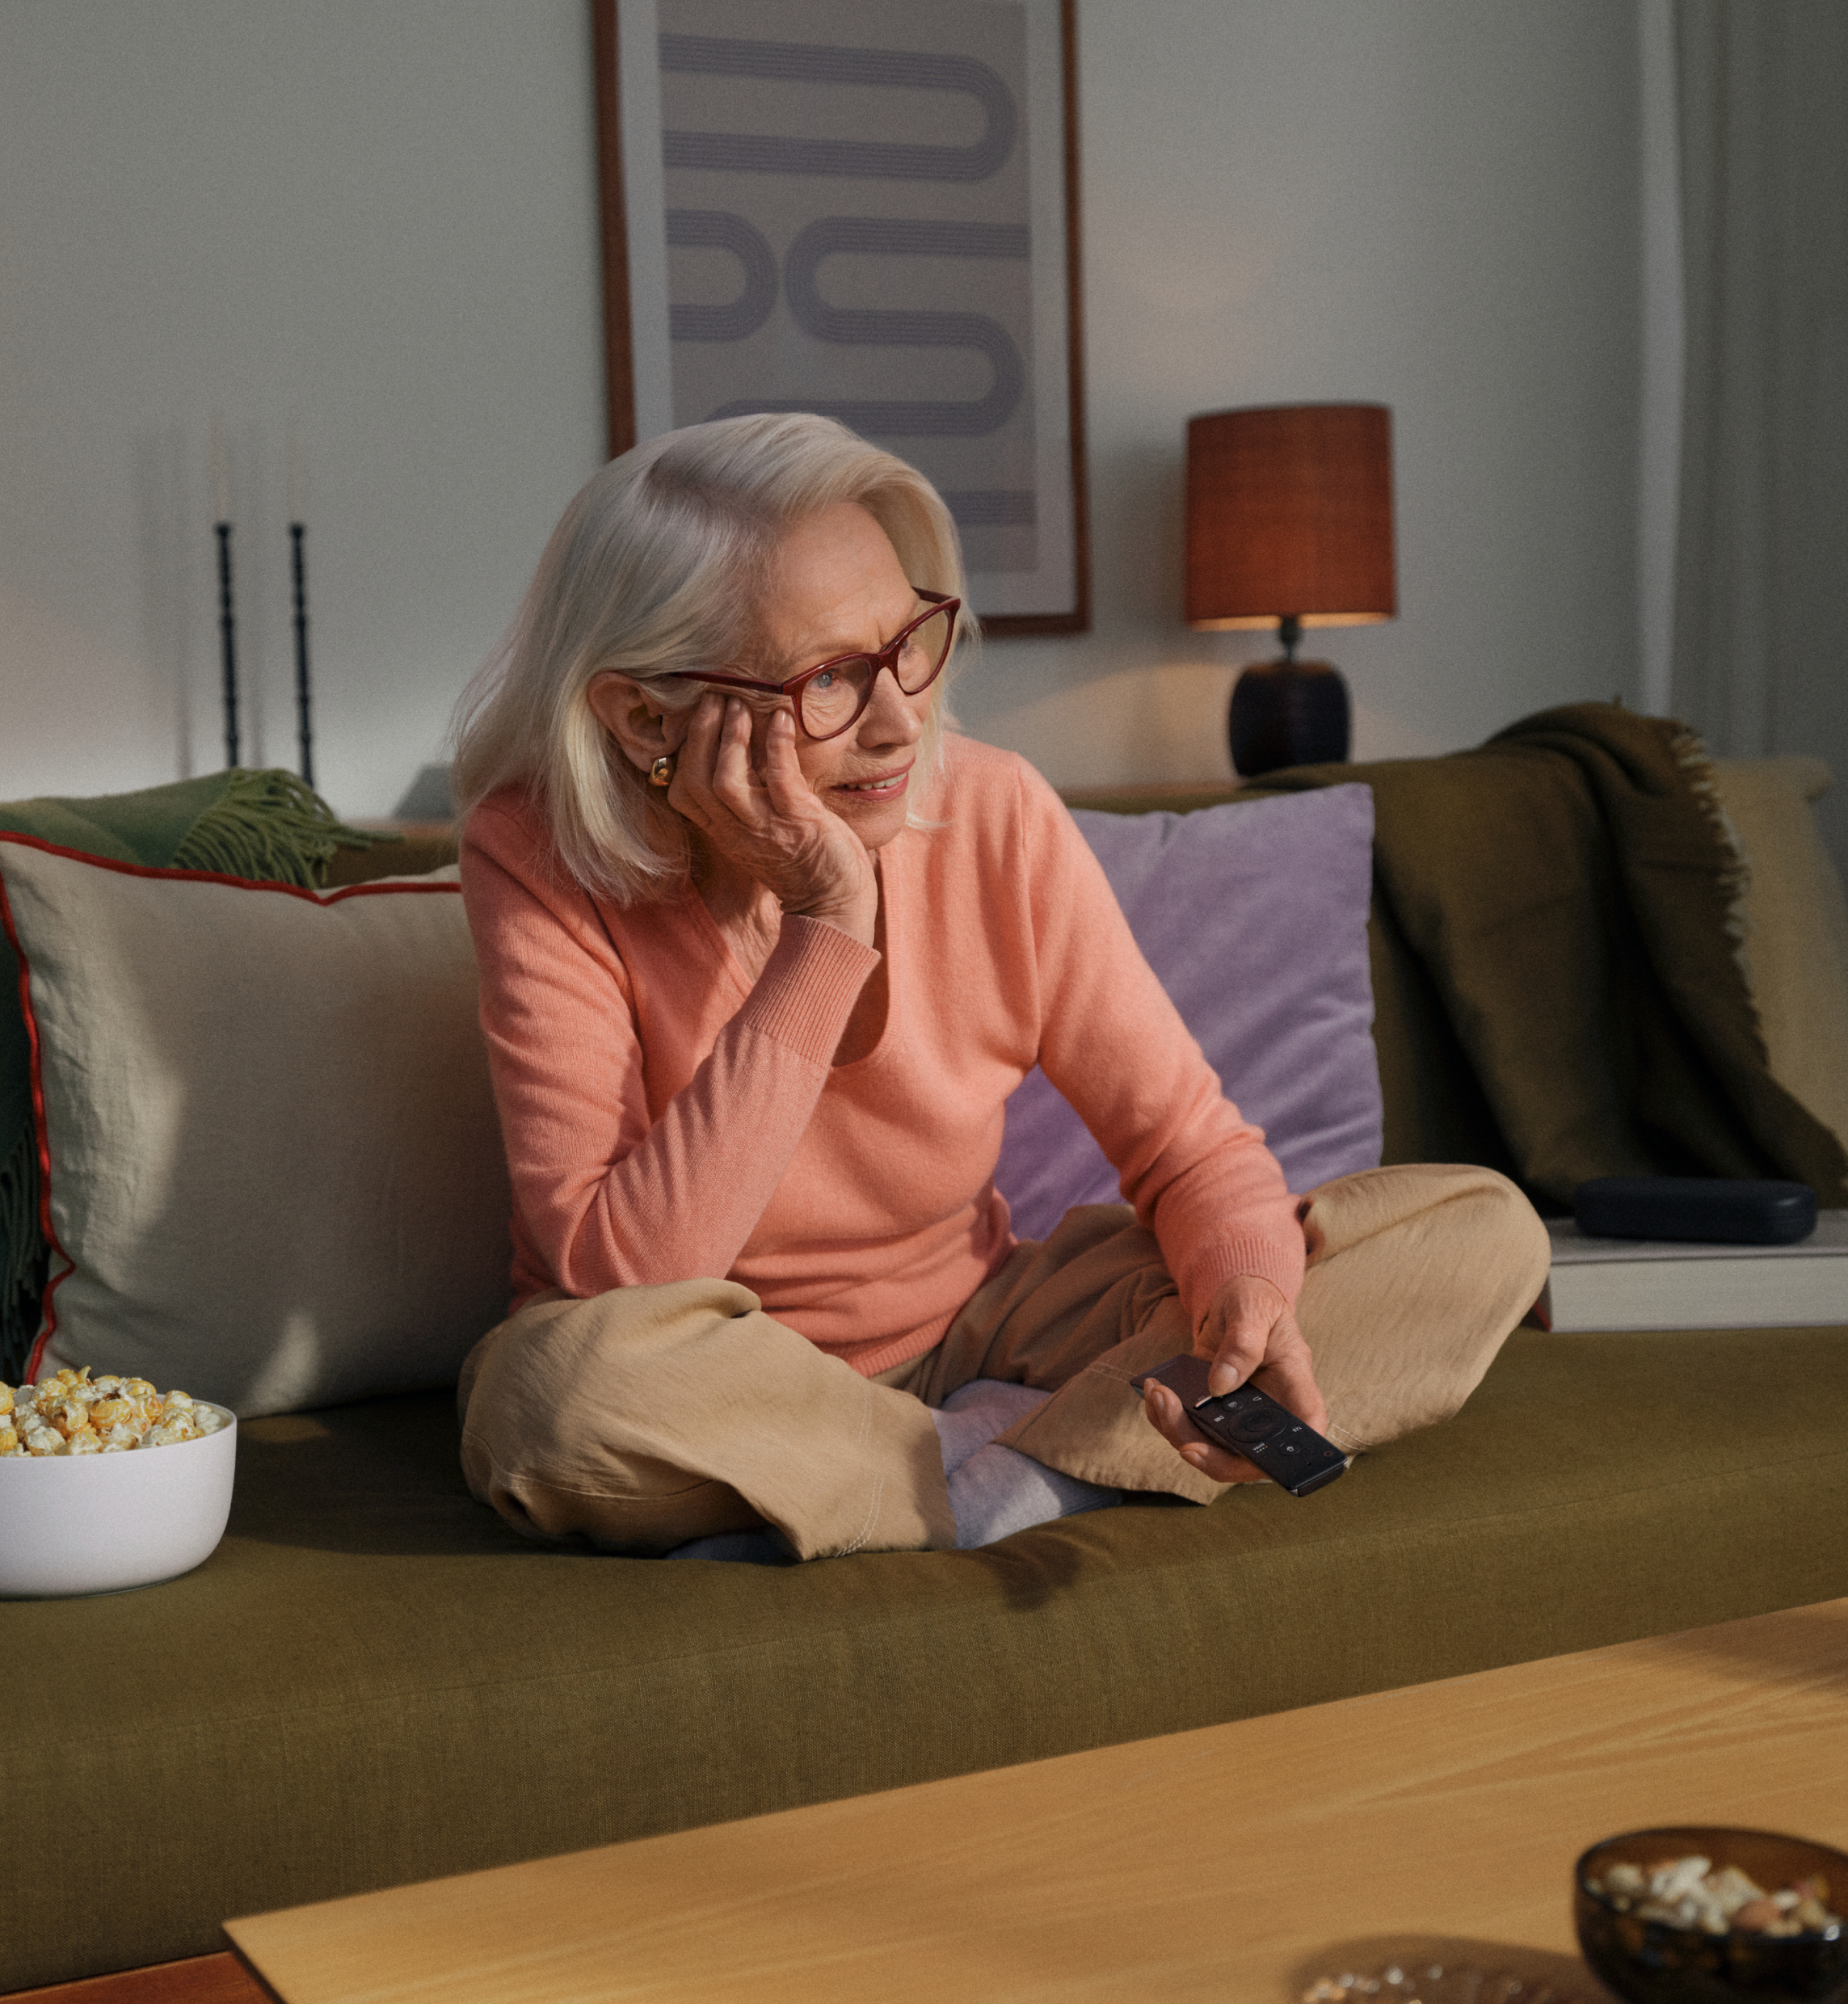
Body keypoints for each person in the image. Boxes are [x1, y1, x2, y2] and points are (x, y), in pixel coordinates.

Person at [451, 412, 1548, 1562]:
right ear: (643, 719)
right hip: (712, 1363)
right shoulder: (534, 854)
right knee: (555, 1401)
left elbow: (1190, 1150)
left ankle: (910, 1483)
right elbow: (623, 1275)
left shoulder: (995, 811)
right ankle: (1020, 1466)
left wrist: (1245, 1300)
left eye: (908, 643)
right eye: (830, 677)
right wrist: (827, 925)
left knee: (1483, 1233)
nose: (899, 720)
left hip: (984, 1324)